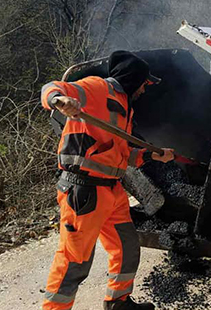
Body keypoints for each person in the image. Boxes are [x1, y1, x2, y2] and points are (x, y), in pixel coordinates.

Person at [40, 50, 175, 310]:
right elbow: (51, 87)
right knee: (74, 261)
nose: (145, 90)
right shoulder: (95, 88)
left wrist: (152, 156)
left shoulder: (124, 108)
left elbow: (120, 156)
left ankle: (119, 303)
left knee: (126, 249)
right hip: (83, 191)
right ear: (133, 78)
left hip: (111, 191)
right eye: (145, 84)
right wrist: (59, 99)